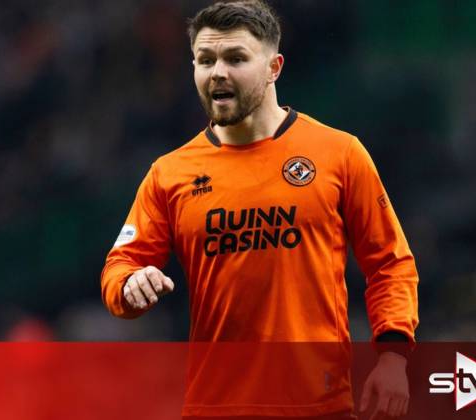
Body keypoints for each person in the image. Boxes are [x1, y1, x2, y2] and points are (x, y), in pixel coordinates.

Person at [101, 1, 418, 418]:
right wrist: (129, 285)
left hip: (319, 407)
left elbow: (390, 263)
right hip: (215, 408)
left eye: (236, 58)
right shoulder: (169, 174)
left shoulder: (339, 153)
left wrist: (393, 356)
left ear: (274, 68)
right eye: (205, 60)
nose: (218, 72)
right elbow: (120, 266)